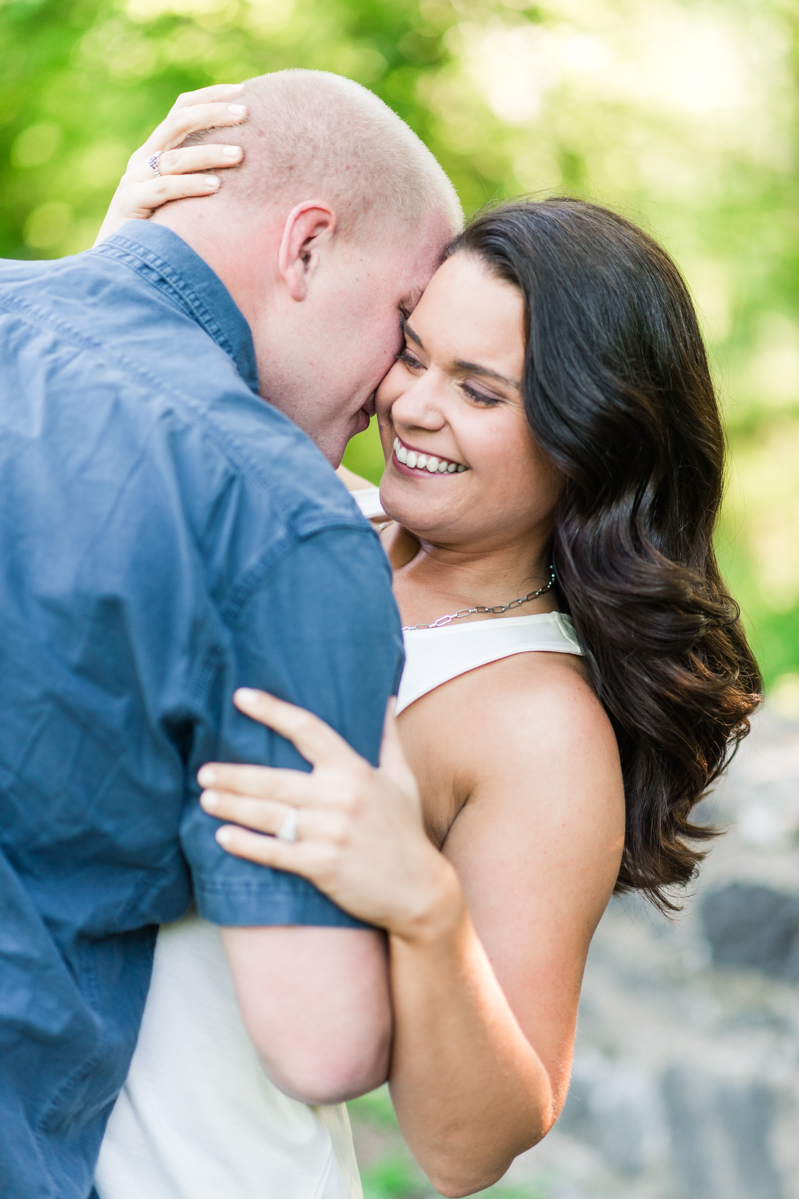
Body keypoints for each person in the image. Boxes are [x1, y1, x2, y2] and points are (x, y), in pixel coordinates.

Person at [92, 99, 761, 1199]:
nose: (410, 405)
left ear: (585, 438)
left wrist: (423, 907)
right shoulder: (304, 514)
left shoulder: (532, 720)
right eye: (411, 350)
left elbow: (471, 1145)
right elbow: (85, 429)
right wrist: (134, 261)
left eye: (478, 388)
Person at [0, 70, 462, 1199]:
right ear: (304, 247)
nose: (397, 394)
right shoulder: (276, 519)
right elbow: (319, 1041)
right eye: (405, 323)